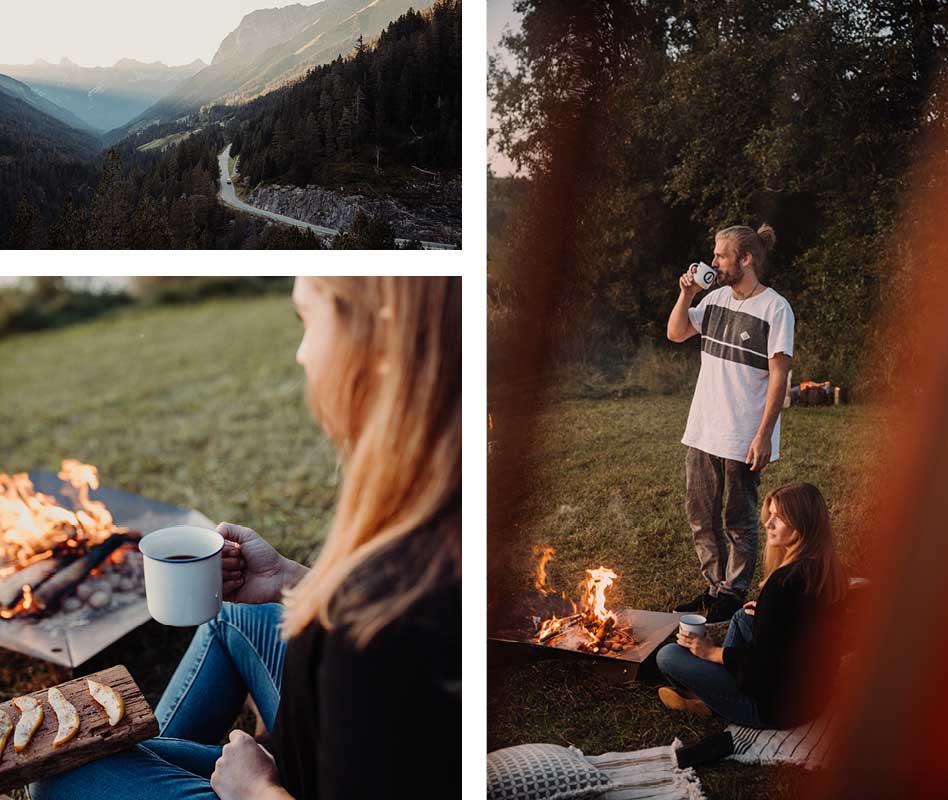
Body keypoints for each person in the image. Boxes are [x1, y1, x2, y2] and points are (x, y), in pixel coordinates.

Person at [32, 277, 461, 800]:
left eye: (307, 322)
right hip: (305, 744)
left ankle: (163, 774)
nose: (302, 355)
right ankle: (161, 765)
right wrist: (290, 579)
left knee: (60, 778)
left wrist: (254, 789)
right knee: (236, 613)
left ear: (380, 343)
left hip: (283, 785)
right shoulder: (437, 517)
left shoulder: (385, 621)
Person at [667, 224, 794, 622]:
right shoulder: (717, 298)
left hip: (742, 435)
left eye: (721, 255)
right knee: (700, 515)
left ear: (746, 259)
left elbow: (779, 375)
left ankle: (734, 593)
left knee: (737, 519)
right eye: (715, 255)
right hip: (703, 429)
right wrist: (686, 294)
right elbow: (675, 333)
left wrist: (763, 435)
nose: (713, 261)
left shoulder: (776, 308)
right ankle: (713, 588)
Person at [655, 482, 847, 729]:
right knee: (743, 617)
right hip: (813, 695)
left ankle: (711, 700)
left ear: (802, 524)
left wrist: (711, 652)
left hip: (774, 708)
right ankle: (712, 691)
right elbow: (805, 627)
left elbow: (763, 666)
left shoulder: (783, 583)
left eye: (779, 518)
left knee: (668, 655)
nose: (768, 524)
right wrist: (769, 614)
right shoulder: (828, 569)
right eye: (771, 516)